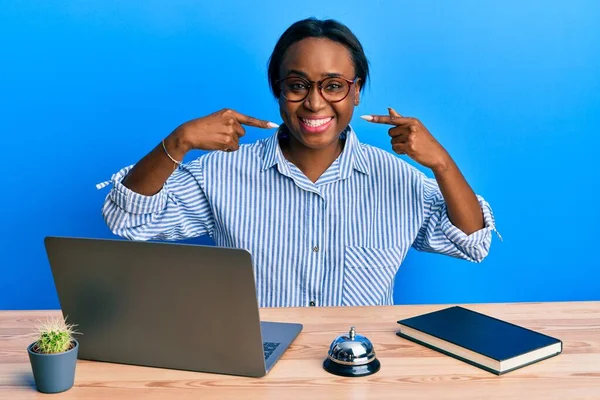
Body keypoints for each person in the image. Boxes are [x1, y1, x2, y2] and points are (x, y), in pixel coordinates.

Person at [98, 18, 498, 308]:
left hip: (358, 370)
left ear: (356, 92)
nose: (314, 101)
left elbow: (472, 242)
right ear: (278, 89)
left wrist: (442, 163)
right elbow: (127, 219)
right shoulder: (221, 173)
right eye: (297, 85)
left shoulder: (396, 178)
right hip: (254, 369)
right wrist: (178, 140)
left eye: (334, 86)